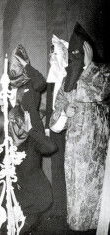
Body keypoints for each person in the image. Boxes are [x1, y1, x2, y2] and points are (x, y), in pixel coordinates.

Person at [0, 44, 57, 234]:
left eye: (17, 63)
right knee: (14, 171)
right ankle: (19, 216)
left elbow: (42, 83)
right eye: (12, 63)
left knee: (28, 170)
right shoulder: (10, 84)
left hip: (30, 130)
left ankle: (30, 215)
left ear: (24, 64)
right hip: (13, 128)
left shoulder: (30, 81)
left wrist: (27, 66)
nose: (13, 66)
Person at [50, 23, 110, 231]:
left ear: (87, 50)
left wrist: (89, 64)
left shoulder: (102, 73)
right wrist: (65, 112)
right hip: (74, 155)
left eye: (79, 51)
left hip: (98, 155)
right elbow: (54, 124)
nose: (74, 56)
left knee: (97, 207)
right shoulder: (68, 80)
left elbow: (101, 92)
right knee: (76, 207)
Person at [44, 35, 69, 222]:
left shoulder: (68, 75)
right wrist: (47, 127)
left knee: (66, 166)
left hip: (68, 126)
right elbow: (49, 105)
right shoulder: (53, 74)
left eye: (56, 53)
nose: (53, 57)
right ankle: (58, 206)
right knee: (56, 165)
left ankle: (67, 205)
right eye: (52, 53)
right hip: (54, 127)